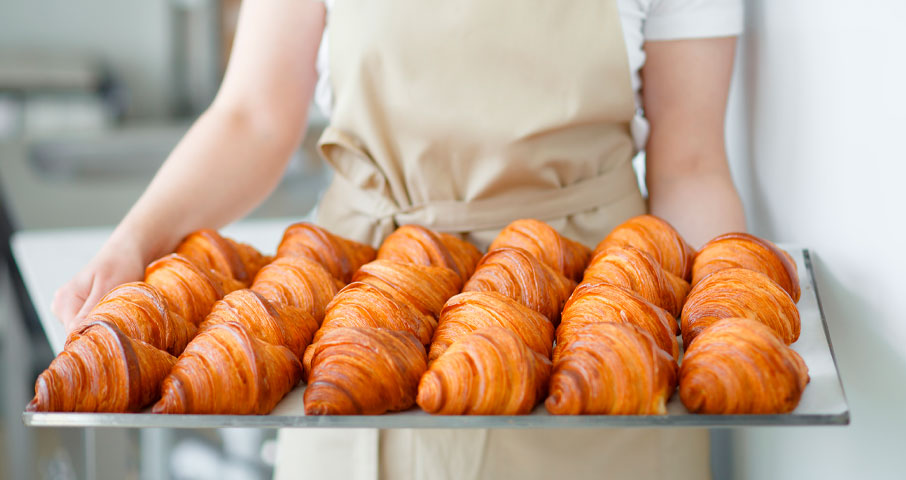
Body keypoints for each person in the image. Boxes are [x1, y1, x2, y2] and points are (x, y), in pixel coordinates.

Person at [52, 0, 746, 478]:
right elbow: (254, 118)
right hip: (367, 310)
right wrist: (137, 239)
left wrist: (729, 323)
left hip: (593, 313)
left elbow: (690, 163)